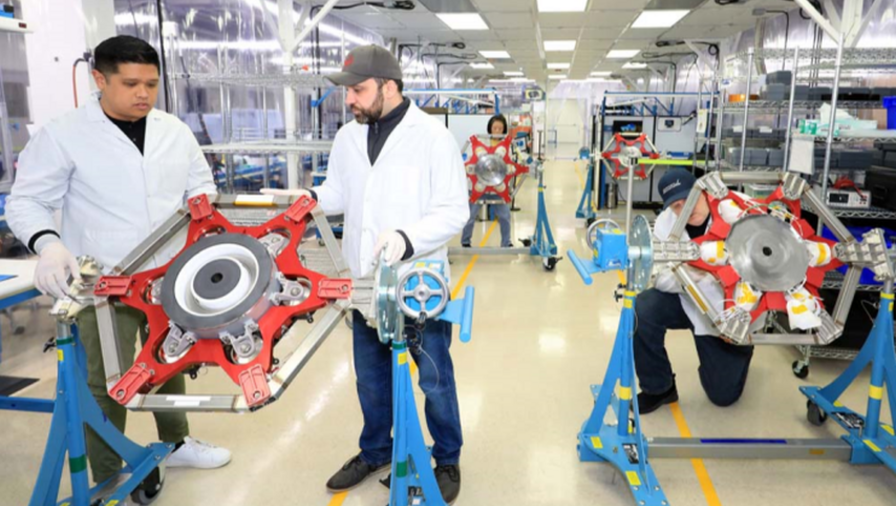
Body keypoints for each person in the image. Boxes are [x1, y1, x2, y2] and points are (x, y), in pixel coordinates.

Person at [6, 35, 231, 486]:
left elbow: (200, 187)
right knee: (108, 377)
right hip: (104, 277)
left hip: (170, 273)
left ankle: (176, 442)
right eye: (130, 84)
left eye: (151, 84)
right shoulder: (65, 134)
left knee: (169, 358)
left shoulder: (173, 130)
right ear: (100, 79)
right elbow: (26, 200)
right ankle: (108, 474)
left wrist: (205, 221)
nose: (143, 94)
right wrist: (48, 243)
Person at [262, 45, 468, 503]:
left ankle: (448, 457)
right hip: (362, 285)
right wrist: (307, 199)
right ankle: (376, 450)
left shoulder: (432, 137)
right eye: (348, 91)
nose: (349, 100)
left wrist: (408, 238)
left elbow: (455, 210)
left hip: (416, 284)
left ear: (388, 87)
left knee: (434, 379)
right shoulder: (348, 136)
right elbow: (339, 192)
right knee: (370, 380)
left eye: (358, 90)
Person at [634, 168, 754, 414]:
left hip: (729, 311)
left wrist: (742, 322)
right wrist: (696, 272)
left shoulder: (737, 211)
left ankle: (740, 351)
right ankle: (659, 388)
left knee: (722, 396)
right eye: (677, 206)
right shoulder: (666, 223)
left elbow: (763, 274)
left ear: (703, 192)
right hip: (687, 302)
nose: (685, 210)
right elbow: (659, 278)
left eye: (689, 200)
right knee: (641, 308)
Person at [461, 114, 514, 248]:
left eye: (500, 129)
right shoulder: (482, 141)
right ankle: (465, 241)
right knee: (470, 216)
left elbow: (508, 166)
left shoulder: (506, 146)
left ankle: (506, 243)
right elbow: (473, 161)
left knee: (505, 216)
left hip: (498, 188)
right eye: (494, 128)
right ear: (490, 128)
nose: (497, 131)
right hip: (480, 186)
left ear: (504, 129)